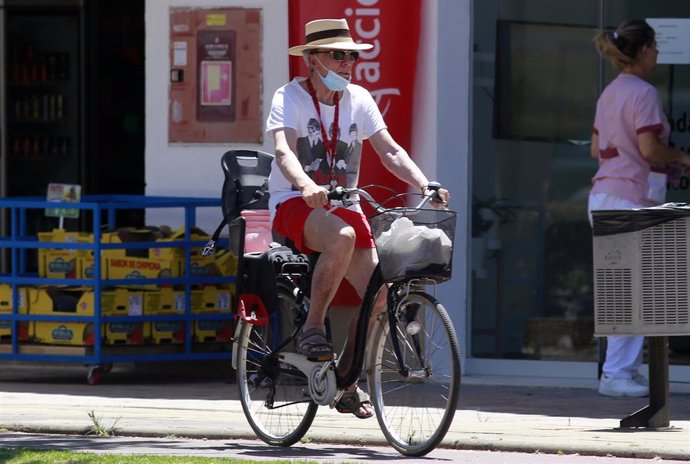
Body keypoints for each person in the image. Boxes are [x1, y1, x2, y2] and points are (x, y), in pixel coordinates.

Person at [266, 18, 450, 418]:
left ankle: (346, 382)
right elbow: (284, 150)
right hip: (295, 202)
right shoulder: (291, 96)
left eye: (352, 55)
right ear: (313, 60)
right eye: (338, 55)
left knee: (380, 293)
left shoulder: (359, 98)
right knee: (344, 235)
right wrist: (303, 185)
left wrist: (424, 184)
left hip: (342, 204)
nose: (348, 63)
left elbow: (390, 150)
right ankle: (314, 326)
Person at [589, 19, 690, 397]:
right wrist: (681, 156)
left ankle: (620, 372)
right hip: (631, 197)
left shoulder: (610, 93)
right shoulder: (644, 93)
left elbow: (596, 149)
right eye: (655, 47)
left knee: (624, 289)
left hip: (604, 195)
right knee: (637, 290)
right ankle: (617, 374)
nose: (659, 54)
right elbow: (649, 150)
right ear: (644, 51)